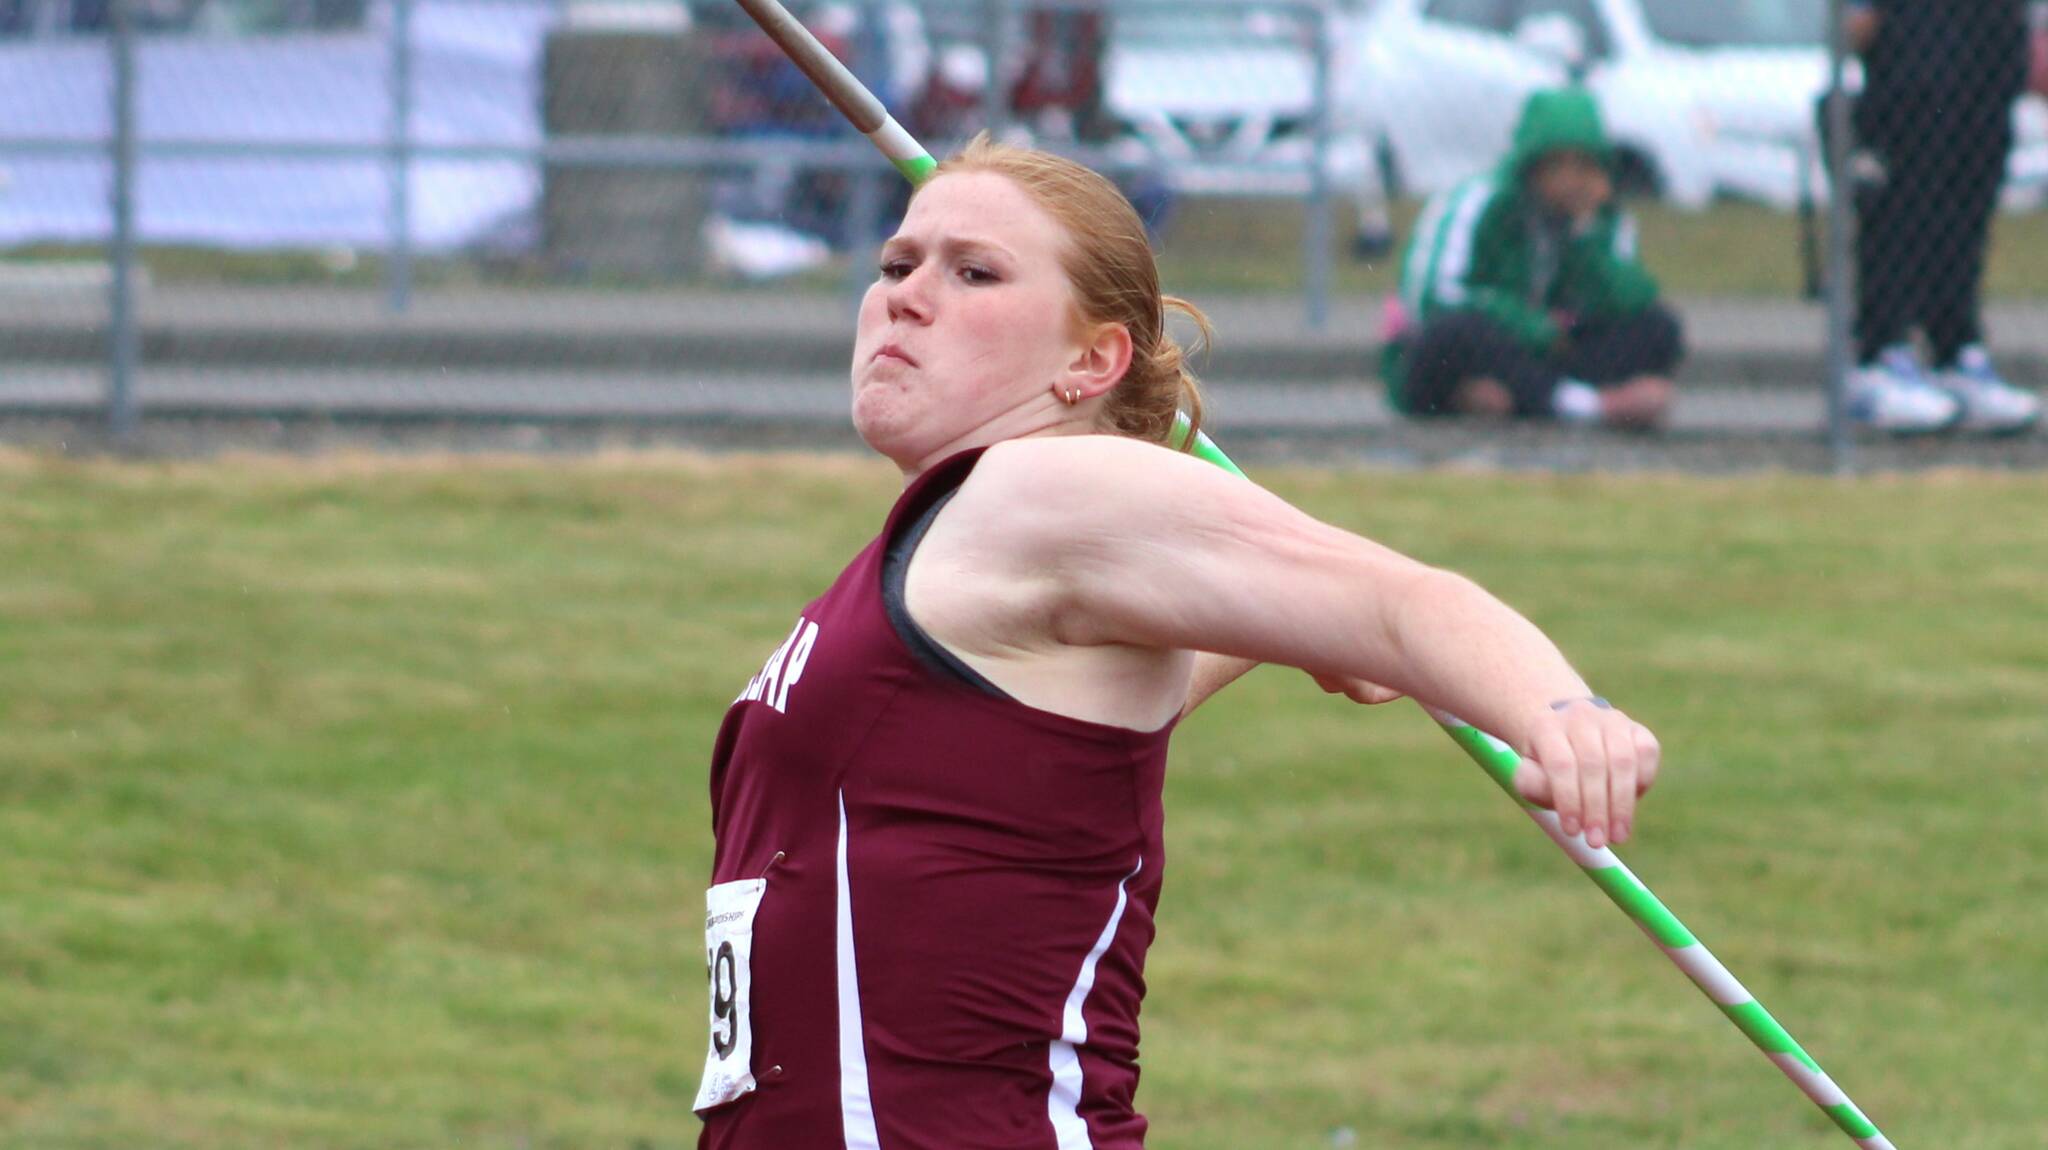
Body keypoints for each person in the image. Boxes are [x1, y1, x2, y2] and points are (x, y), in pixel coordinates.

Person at [696, 133, 1662, 1150]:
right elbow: (1053, 736)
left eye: (972, 271)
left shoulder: (1040, 491)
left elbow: (1397, 601)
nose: (904, 293)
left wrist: (1560, 711)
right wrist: (1282, 632)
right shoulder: (952, 556)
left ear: (1091, 360)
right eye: (897, 263)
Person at [1381, 87, 1681, 430]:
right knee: (1453, 334)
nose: (1572, 179)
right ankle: (1587, 405)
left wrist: (1587, 238)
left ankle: (1532, 399)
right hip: (1489, 344)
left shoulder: (1603, 220)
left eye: (1584, 165)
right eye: (1559, 164)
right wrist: (1528, 324)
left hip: (1542, 357)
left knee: (1658, 328)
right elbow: (1433, 296)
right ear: (1532, 165)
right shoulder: (1479, 203)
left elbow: (1628, 300)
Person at [1842, 0, 2042, 434]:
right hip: (1915, 31)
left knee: (1970, 192)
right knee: (1907, 193)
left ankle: (1955, 348)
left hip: (1988, 28)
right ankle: (1879, 354)